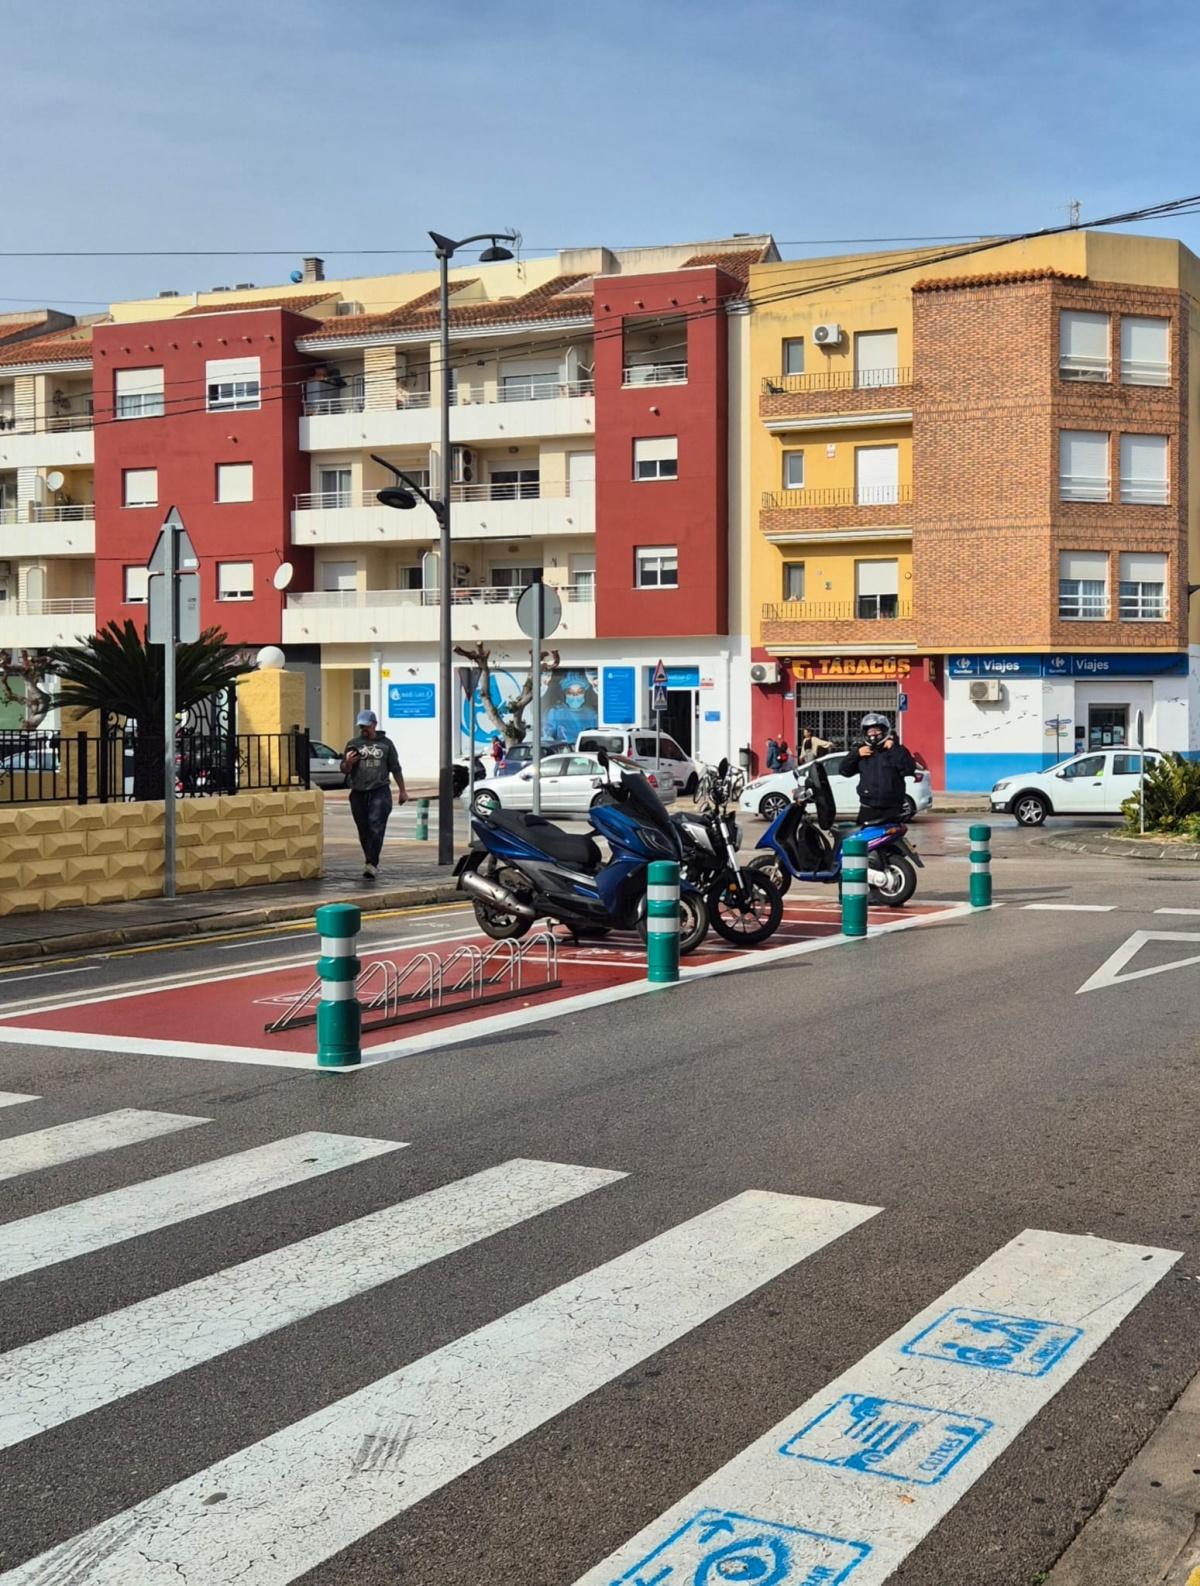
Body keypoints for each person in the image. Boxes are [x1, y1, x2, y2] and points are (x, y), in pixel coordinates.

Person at [341, 709, 407, 879]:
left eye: (366, 726)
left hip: (380, 790)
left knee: (376, 826)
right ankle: (369, 859)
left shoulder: (386, 744)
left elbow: (395, 768)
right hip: (358, 792)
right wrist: (348, 762)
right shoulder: (353, 744)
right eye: (361, 726)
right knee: (363, 829)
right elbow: (344, 769)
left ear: (374, 724)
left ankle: (372, 863)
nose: (363, 729)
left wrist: (402, 791)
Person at [839, 713, 916, 826]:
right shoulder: (862, 752)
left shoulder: (896, 750)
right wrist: (856, 754)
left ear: (884, 731)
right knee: (863, 836)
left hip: (892, 808)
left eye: (876, 730)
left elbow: (908, 768)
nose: (873, 734)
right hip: (868, 807)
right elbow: (844, 771)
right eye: (870, 731)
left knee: (891, 836)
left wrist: (894, 748)